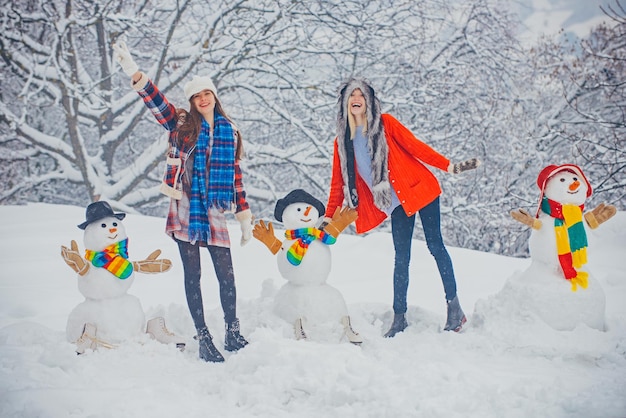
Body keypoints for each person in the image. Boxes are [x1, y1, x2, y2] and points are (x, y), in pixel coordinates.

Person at [112, 41, 253, 362]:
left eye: (207, 93)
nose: (203, 99)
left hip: (215, 208)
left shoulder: (230, 132)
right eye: (197, 96)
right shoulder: (182, 125)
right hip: (186, 206)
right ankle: (203, 336)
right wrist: (134, 72)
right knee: (194, 275)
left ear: (215, 97)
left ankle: (232, 331)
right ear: (192, 101)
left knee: (226, 274)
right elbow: (157, 104)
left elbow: (235, 176)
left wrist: (243, 214)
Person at [325, 78, 480, 337]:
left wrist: (448, 166)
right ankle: (399, 318)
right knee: (401, 257)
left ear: (369, 100)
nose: (356, 98)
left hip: (421, 190)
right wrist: (328, 219)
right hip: (396, 203)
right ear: (344, 103)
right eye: (351, 94)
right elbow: (337, 184)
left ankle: (455, 310)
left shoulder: (386, 124)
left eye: (360, 93)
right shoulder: (342, 143)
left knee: (435, 245)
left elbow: (416, 147)